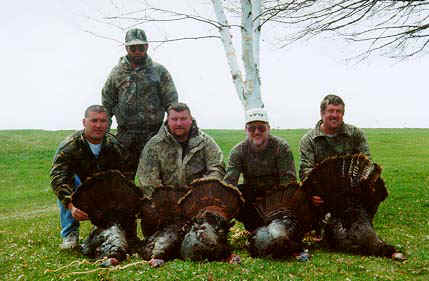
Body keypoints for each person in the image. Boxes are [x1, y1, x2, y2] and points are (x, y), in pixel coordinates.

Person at [50, 105, 134, 250]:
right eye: (94, 121)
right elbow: (58, 177)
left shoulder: (115, 146)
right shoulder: (70, 146)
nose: (98, 125)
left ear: (108, 124)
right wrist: (71, 205)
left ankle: (109, 228)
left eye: (103, 121)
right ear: (84, 122)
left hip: (103, 189)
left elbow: (126, 177)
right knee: (68, 184)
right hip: (78, 187)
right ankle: (70, 234)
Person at [102, 28, 178, 181]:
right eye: (133, 48)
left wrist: (171, 130)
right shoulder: (116, 73)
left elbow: (171, 102)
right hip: (125, 136)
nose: (137, 51)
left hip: (154, 135)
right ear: (126, 48)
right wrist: (105, 133)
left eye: (141, 47)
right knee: (124, 180)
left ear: (147, 47)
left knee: (157, 178)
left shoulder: (159, 71)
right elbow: (107, 104)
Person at [224, 108, 297, 231]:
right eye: (252, 128)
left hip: (277, 196)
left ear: (268, 128)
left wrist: (279, 206)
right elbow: (230, 182)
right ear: (246, 130)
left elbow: (288, 181)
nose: (257, 132)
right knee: (237, 194)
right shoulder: (238, 151)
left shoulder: (281, 147)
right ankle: (254, 227)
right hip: (252, 199)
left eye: (261, 128)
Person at [137, 102, 225, 196]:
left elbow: (217, 169)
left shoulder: (205, 142)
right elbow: (147, 180)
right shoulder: (154, 145)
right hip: (165, 201)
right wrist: (164, 199)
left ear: (190, 120)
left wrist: (201, 191)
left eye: (183, 119)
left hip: (198, 198)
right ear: (168, 121)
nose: (179, 123)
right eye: (174, 119)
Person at [299, 94, 370, 205]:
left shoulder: (355, 134)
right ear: (322, 113)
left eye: (339, 111)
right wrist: (311, 193)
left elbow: (367, 163)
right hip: (322, 195)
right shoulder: (309, 140)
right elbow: (306, 171)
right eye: (331, 111)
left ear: (343, 114)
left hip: (351, 192)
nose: (335, 115)